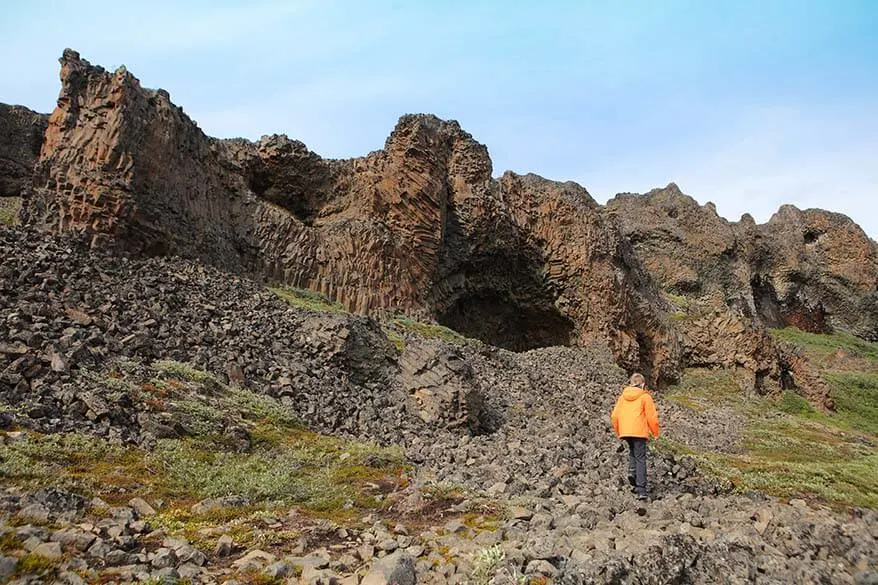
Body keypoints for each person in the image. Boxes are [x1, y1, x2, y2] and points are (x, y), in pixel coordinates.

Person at [611, 372, 660, 500]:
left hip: (625, 431)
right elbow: (652, 417)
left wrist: (618, 431)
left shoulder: (623, 397)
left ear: (631, 384)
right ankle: (641, 489)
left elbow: (614, 415)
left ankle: (632, 472)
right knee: (640, 458)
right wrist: (655, 433)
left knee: (633, 452)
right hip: (639, 432)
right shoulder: (645, 397)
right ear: (642, 384)